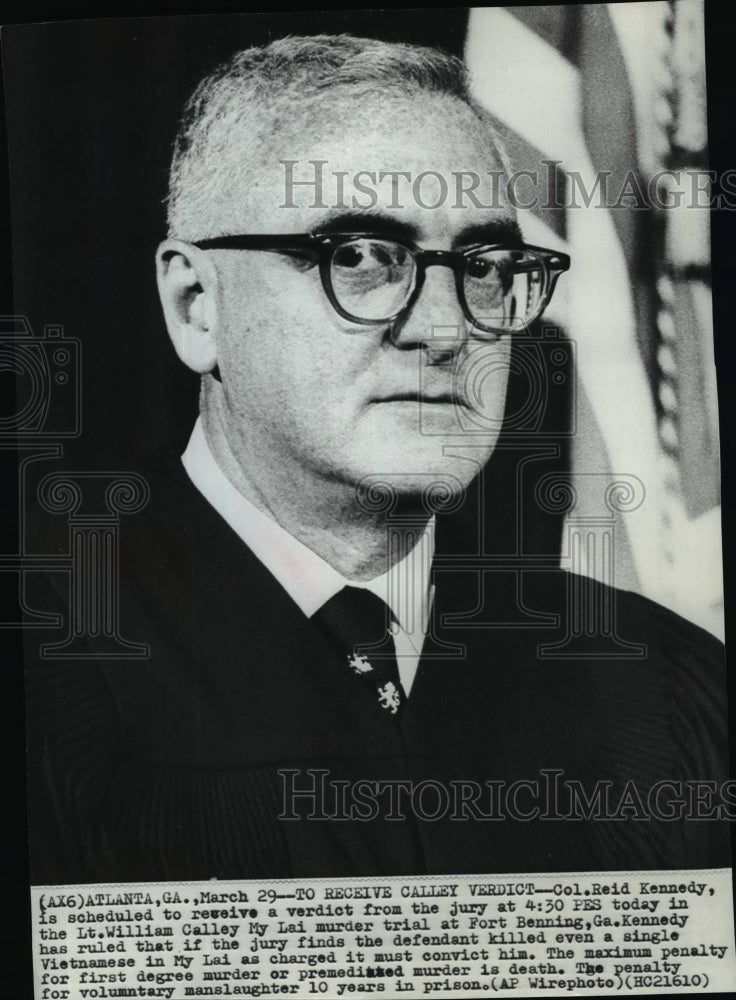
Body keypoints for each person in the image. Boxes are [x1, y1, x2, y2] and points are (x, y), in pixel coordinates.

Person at [26, 34, 729, 884]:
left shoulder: (668, 690)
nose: (444, 330)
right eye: (357, 257)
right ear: (196, 305)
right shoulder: (44, 669)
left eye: (486, 266)